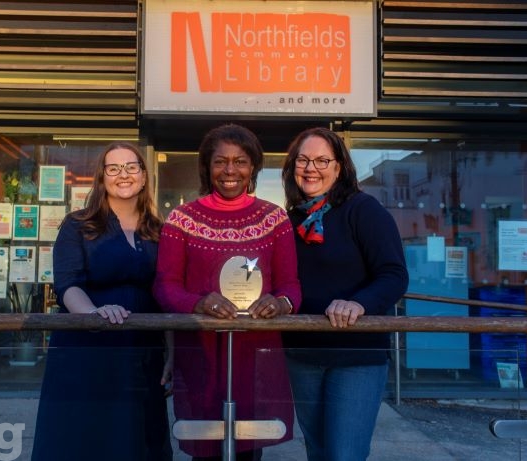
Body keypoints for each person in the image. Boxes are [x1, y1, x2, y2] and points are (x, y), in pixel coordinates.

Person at [153, 124, 301, 461]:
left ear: (253, 168)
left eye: (241, 161)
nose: (230, 170)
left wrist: (280, 303)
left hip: (256, 355)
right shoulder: (182, 219)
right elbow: (165, 286)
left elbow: (291, 286)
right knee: (204, 448)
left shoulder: (274, 218)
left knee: (250, 448)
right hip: (200, 354)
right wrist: (198, 302)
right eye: (220, 161)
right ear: (206, 166)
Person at [32, 142, 173, 461]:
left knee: (140, 437)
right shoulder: (78, 224)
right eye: (114, 168)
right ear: (102, 178)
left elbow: (165, 294)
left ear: (144, 175)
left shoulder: (159, 231)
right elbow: (68, 284)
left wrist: (172, 353)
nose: (123, 175)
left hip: (143, 350)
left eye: (131, 167)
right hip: (89, 349)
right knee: (90, 436)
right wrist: (94, 314)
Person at [280, 127, 409, 461]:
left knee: (344, 454)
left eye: (322, 160)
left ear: (339, 167)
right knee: (318, 451)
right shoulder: (291, 219)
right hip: (302, 354)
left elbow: (394, 275)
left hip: (356, 355)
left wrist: (359, 303)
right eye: (303, 159)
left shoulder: (364, 210)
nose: (311, 168)